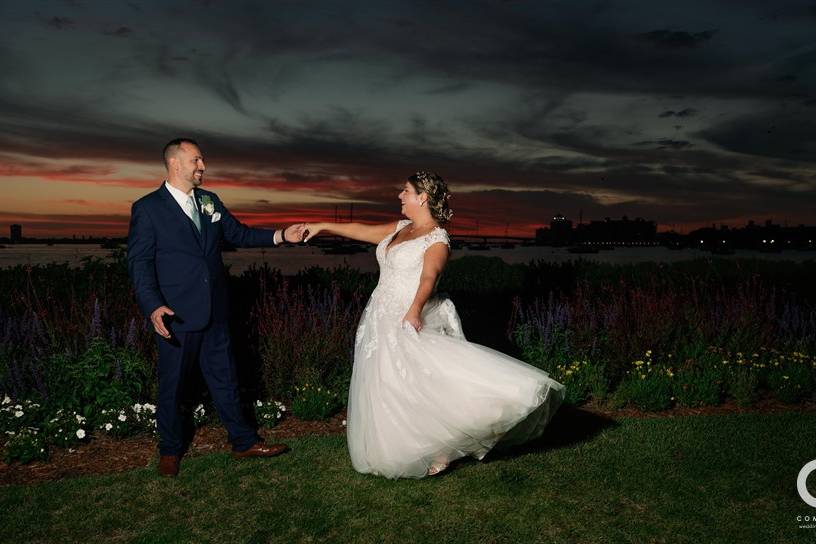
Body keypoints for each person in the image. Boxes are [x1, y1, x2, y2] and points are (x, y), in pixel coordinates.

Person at [304, 172, 565, 479]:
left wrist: (414, 311)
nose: (400, 196)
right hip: (379, 315)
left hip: (406, 315)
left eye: (405, 191)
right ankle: (399, 448)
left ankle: (442, 447)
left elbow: (430, 278)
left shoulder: (437, 238)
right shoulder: (401, 228)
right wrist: (322, 225)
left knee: (424, 383)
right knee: (388, 383)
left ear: (422, 197)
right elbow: (361, 229)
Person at [127, 138, 305, 477]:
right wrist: (153, 307)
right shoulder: (148, 208)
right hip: (175, 317)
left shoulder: (210, 201)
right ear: (175, 164)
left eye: (202, 160)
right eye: (196, 160)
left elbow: (238, 234)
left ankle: (243, 442)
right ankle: (169, 450)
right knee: (173, 386)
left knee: (226, 380)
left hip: (216, 312)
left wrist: (282, 236)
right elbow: (140, 264)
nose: (202, 166)